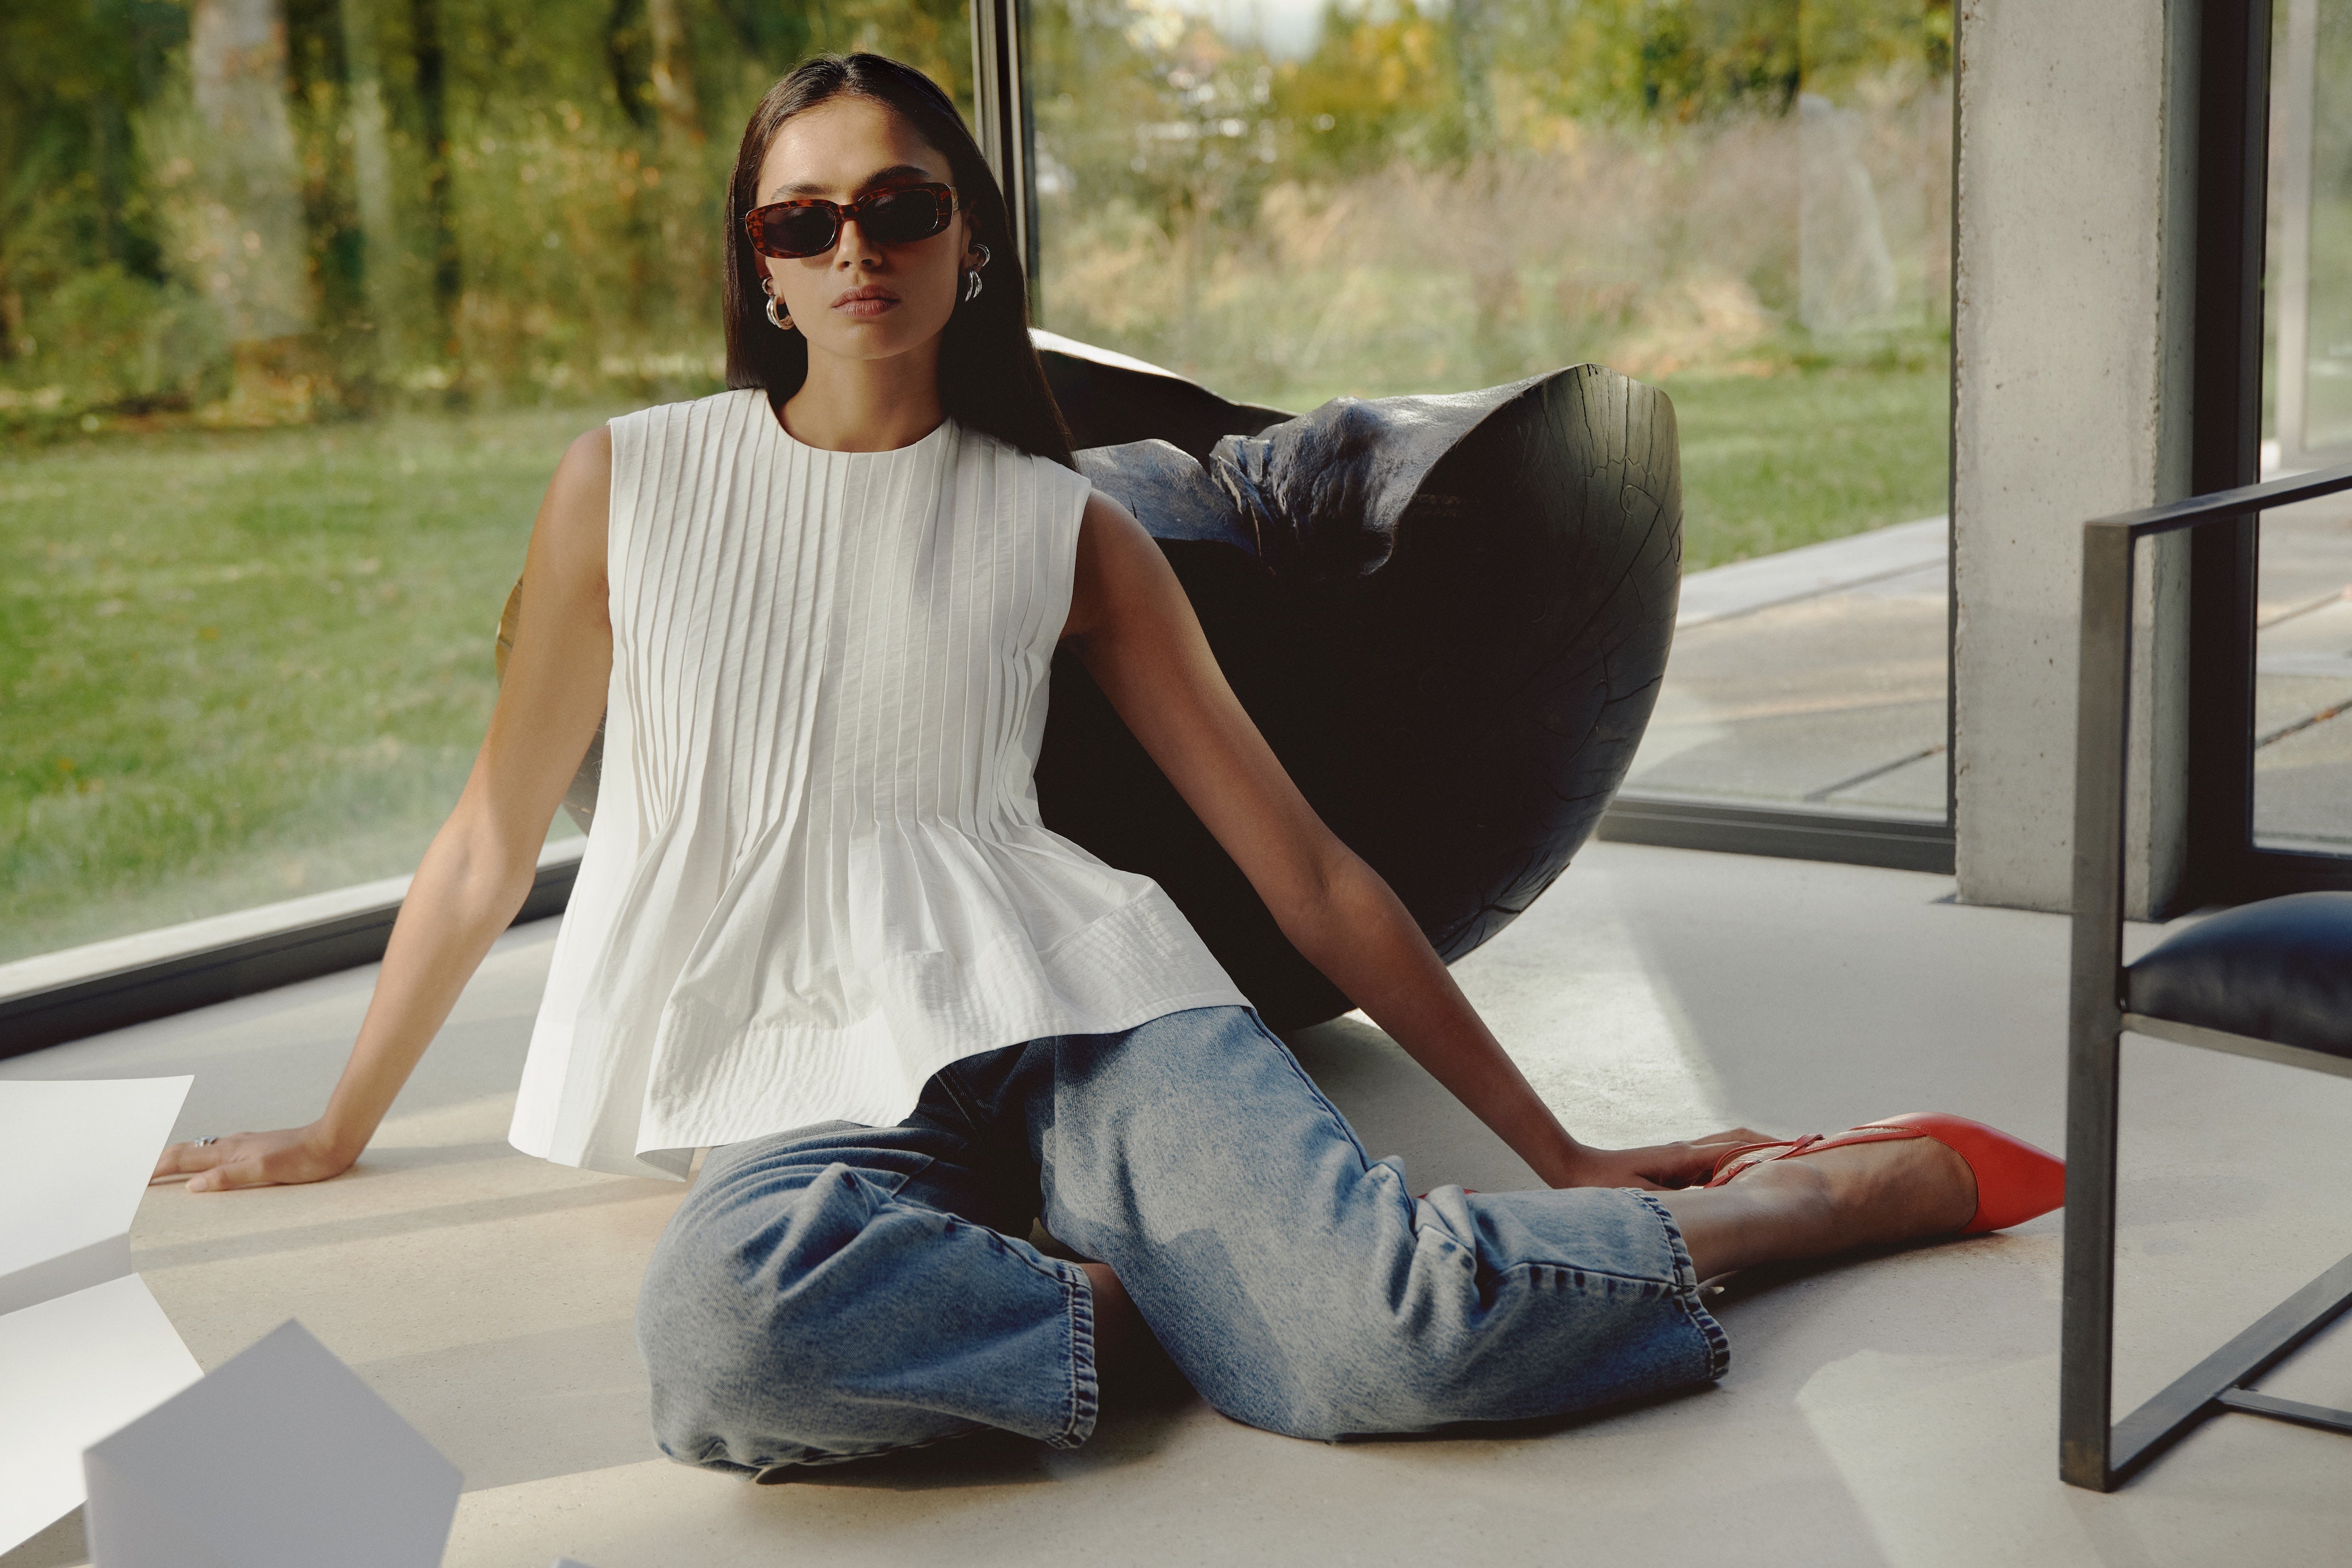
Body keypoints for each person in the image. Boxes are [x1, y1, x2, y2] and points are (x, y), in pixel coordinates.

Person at [151, 52, 2061, 1472]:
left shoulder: (1062, 528)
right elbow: (494, 836)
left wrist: (1554, 1142)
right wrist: (336, 1125)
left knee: (1386, 1358)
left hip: (1085, 1003)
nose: (854, 249)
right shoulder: (628, 485)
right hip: (797, 1045)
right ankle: (1192, 1300)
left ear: (971, 237)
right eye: (802, 221)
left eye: (899, 205)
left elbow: (1302, 872)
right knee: (728, 1343)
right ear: (760, 268)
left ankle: (1799, 1207)